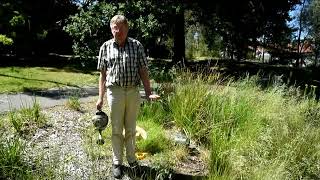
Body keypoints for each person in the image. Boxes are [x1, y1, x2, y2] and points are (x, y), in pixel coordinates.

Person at [96, 14, 157, 178]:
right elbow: (102, 75)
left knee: (130, 128)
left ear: (126, 28)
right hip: (114, 91)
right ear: (111, 29)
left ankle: (131, 160)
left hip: (132, 91)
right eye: (114, 28)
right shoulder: (105, 47)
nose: (117, 32)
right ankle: (117, 163)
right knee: (116, 129)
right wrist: (100, 98)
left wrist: (149, 92)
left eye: (120, 28)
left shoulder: (136, 45)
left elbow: (143, 71)